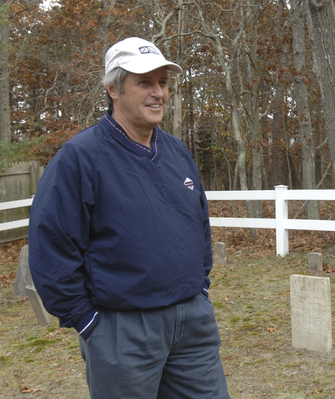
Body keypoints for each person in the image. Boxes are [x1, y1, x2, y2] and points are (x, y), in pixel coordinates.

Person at [28, 37, 230, 399]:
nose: (158, 93)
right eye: (145, 83)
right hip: (123, 331)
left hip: (192, 324)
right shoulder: (81, 158)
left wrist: (200, 288)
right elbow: (51, 247)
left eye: (163, 83)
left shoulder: (177, 152)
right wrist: (88, 322)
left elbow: (198, 224)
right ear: (113, 89)